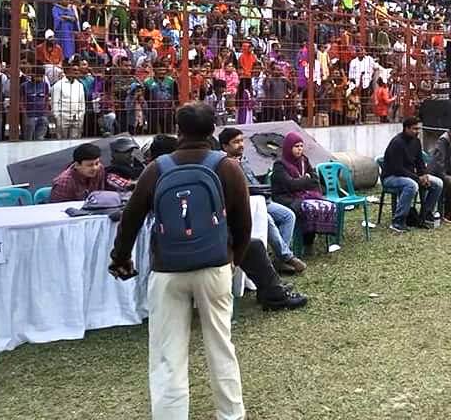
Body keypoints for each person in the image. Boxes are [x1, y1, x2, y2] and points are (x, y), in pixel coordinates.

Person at [109, 103, 251, 420]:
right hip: (215, 267)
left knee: (166, 351)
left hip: (168, 270)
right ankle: (231, 414)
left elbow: (130, 218)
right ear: (213, 129)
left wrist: (120, 258)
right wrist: (233, 261)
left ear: (178, 130)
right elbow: (243, 224)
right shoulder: (227, 168)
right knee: (220, 344)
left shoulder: (157, 168)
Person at [143, 133, 307, 313]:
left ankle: (272, 289)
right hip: (199, 249)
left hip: (168, 249)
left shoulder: (153, 174)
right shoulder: (195, 175)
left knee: (253, 244)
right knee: (251, 245)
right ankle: (274, 293)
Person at [219, 127, 306, 274]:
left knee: (288, 215)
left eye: (242, 141)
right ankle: (286, 256)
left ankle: (279, 260)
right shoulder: (223, 164)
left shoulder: (243, 159)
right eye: (236, 142)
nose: (241, 145)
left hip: (262, 199)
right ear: (225, 146)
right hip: (245, 205)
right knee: (267, 219)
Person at [269, 131, 338, 253]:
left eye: (301, 146)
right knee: (307, 209)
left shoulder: (304, 160)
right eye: (296, 146)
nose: (299, 149)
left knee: (323, 206)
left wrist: (309, 186)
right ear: (288, 147)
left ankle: (309, 243)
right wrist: (305, 179)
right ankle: (300, 244)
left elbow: (315, 180)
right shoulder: (280, 164)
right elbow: (290, 185)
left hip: (303, 194)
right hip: (285, 197)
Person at [380, 116, 443, 232]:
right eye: (414, 129)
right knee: (411, 185)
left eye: (418, 129)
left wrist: (424, 175)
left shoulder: (416, 141)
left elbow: (419, 162)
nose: (417, 132)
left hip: (409, 176)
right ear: (406, 129)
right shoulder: (396, 143)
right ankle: (397, 222)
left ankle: (426, 215)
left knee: (438, 183)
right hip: (391, 177)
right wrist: (417, 178)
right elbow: (397, 169)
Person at [49, 142, 133, 201]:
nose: (95, 168)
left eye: (97, 163)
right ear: (77, 165)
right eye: (90, 165)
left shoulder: (100, 170)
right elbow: (58, 212)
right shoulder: (64, 182)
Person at [52, 60, 87, 139]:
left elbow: (82, 103)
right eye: (74, 70)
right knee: (61, 142)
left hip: (77, 118)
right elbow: (54, 103)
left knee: (75, 142)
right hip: (63, 118)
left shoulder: (80, 85)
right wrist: (57, 117)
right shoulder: (58, 85)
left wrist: (81, 115)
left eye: (78, 70)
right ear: (67, 71)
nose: (77, 72)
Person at [21, 69, 51, 141]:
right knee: (28, 139)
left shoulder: (45, 85)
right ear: (32, 75)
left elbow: (46, 99)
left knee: (40, 138)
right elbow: (21, 101)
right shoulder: (24, 86)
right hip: (30, 116)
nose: (39, 78)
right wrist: (25, 114)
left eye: (41, 76)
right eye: (37, 76)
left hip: (42, 115)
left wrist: (45, 112)